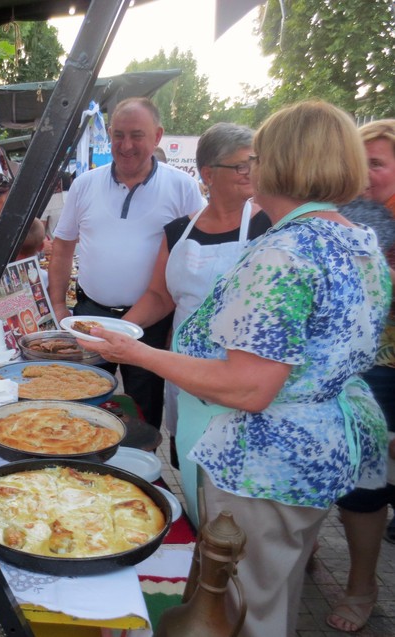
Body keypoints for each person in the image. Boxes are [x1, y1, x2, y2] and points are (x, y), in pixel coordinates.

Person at [79, 100, 391, 637]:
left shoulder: (285, 253)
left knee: (250, 608)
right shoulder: (354, 239)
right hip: (314, 449)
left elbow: (249, 388)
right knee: (269, 588)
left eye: (258, 158)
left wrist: (138, 353)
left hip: (261, 461)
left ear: (281, 164)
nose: (252, 170)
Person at [121, 122, 272, 519]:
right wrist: (116, 332)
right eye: (240, 166)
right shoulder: (178, 230)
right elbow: (160, 296)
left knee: (241, 494)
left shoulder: (270, 226)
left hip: (243, 376)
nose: (250, 173)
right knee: (191, 468)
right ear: (208, 173)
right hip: (184, 372)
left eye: (254, 164)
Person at [48, 96, 202, 429]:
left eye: (137, 135)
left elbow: (195, 262)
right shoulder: (85, 185)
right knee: (78, 404)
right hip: (89, 316)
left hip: (150, 324)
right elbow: (62, 247)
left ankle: (142, 460)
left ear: (157, 136)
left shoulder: (183, 188)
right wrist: (59, 306)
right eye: (118, 135)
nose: (126, 145)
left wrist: (178, 324)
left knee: (142, 415)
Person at [326, 119, 395, 633]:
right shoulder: (345, 215)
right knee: (338, 468)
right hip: (343, 365)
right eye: (360, 162)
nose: (367, 174)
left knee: (367, 480)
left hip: (385, 367)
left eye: (378, 164)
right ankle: (306, 551)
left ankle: (361, 585)